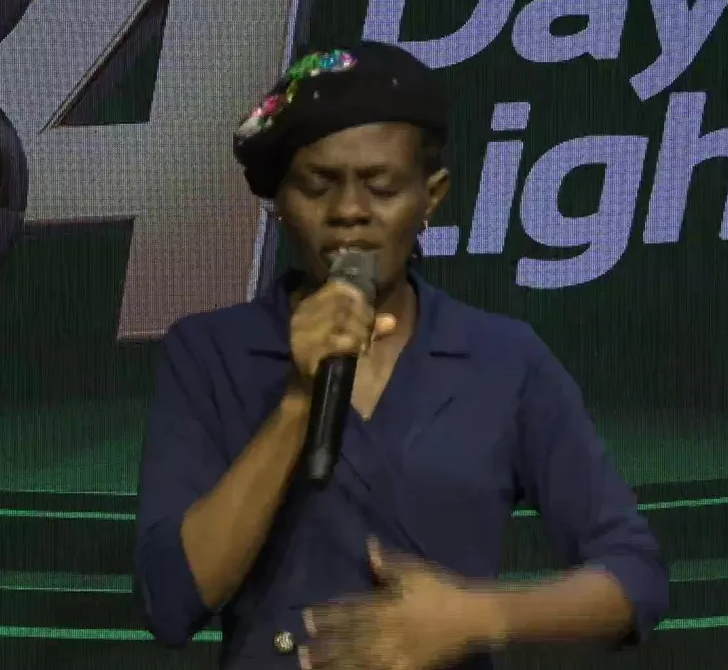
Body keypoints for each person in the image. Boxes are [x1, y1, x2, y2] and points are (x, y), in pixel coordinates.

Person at [134, 41, 669, 670]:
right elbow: (170, 601)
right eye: (317, 186)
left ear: (430, 195)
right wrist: (299, 401)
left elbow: (634, 576)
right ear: (280, 202)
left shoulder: (502, 358)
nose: (349, 212)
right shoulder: (212, 353)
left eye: (381, 186)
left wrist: (476, 616)